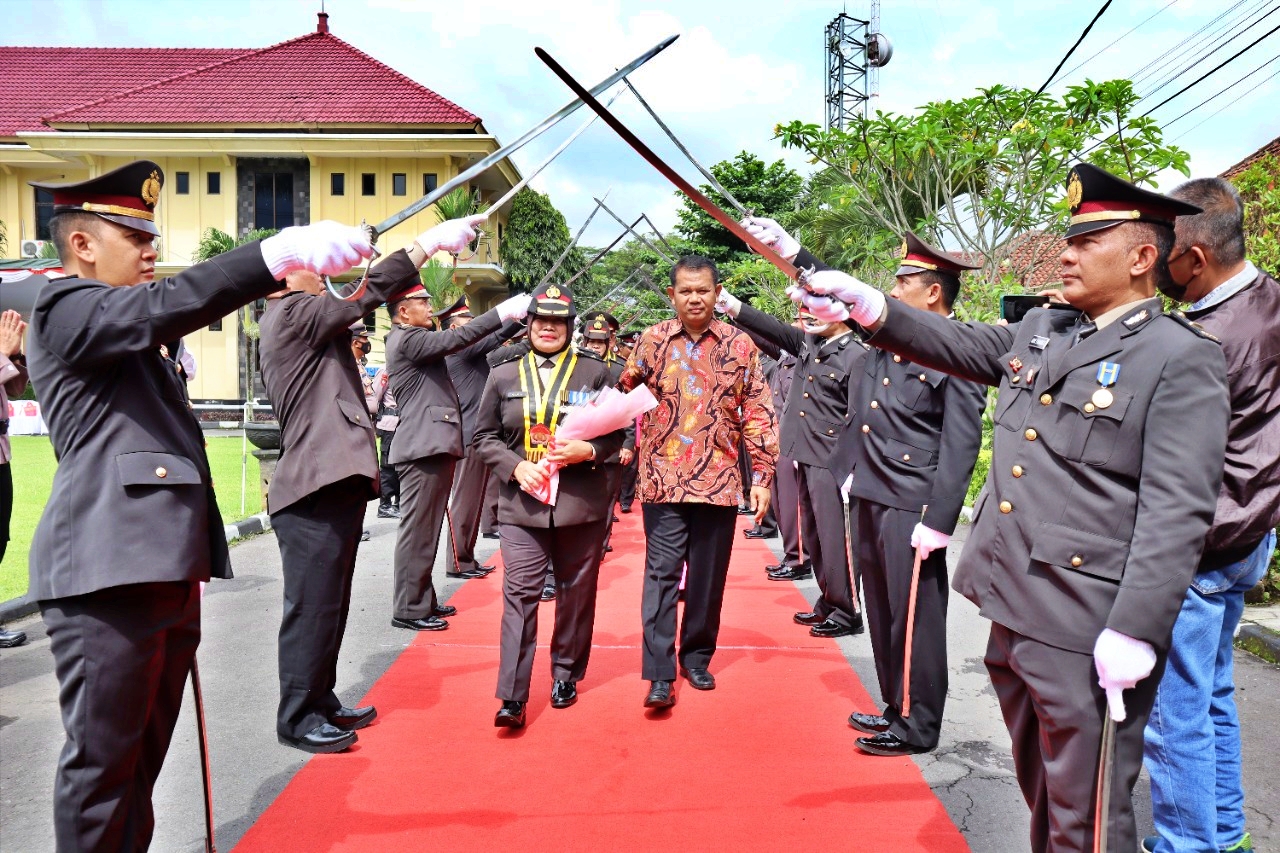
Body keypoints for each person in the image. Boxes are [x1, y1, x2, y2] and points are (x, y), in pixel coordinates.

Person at [788, 163, 1227, 851]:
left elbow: (1178, 511)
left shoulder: (1177, 358)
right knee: (1044, 796)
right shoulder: (1045, 329)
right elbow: (952, 341)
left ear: (1143, 257)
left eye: (1088, 241)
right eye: (1069, 239)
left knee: (1090, 814)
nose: (1066, 253)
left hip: (1087, 623)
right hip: (1015, 606)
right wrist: (869, 306)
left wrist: (1135, 629)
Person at [24, 160, 372, 850]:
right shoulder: (65, 307)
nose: (150, 247)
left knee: (137, 770)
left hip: (157, 569)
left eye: (151, 233)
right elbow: (171, 302)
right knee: (102, 773)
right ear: (82, 244)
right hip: (106, 570)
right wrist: (276, 252)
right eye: (131, 233)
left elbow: (162, 314)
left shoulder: (130, 335)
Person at [1139, 178, 1280, 853]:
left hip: (1204, 538)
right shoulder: (1271, 299)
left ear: (1194, 258)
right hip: (1255, 528)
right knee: (1213, 689)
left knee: (1175, 711)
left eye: (1165, 255)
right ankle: (1225, 831)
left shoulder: (1204, 338)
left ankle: (1188, 843)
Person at [260, 266, 419, 753]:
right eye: (315, 267)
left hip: (333, 484)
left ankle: (320, 697)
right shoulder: (289, 313)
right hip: (312, 488)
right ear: (284, 279)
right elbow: (361, 298)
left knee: (330, 604)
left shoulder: (305, 319)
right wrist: (420, 250)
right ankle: (297, 715)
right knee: (311, 607)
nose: (326, 276)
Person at [619, 255, 778, 709]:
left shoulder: (739, 345)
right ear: (671, 295)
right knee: (661, 575)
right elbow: (624, 394)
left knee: (708, 579)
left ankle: (697, 656)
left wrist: (762, 475)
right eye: (685, 290)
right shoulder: (651, 341)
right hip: (662, 481)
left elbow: (759, 411)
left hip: (720, 479)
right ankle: (659, 672)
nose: (694, 298)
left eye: (703, 290)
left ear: (716, 292)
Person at [473, 283, 625, 727]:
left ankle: (565, 673)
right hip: (523, 503)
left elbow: (619, 435)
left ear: (570, 328)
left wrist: (590, 451)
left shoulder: (596, 374)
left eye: (558, 322)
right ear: (529, 324)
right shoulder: (502, 373)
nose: (548, 328)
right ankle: (513, 695)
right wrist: (515, 467)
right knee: (519, 595)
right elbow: (483, 437)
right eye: (541, 320)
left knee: (577, 594)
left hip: (580, 502)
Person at [720, 290, 869, 640]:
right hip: (804, 454)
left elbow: (860, 416)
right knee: (815, 538)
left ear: (845, 314)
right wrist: (728, 303)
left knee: (837, 540)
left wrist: (850, 469)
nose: (812, 316)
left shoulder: (858, 356)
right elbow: (768, 326)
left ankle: (848, 612)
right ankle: (829, 601)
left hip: (833, 462)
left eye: (821, 310)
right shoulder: (810, 344)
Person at [385, 278, 531, 632]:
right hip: (423, 445)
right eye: (423, 300)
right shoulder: (408, 338)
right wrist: (501, 312)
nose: (429, 305)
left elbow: (479, 342)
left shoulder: (414, 340)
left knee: (427, 529)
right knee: (418, 531)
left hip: (431, 444)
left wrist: (513, 319)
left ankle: (422, 599)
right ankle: (408, 607)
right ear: (403, 311)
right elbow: (458, 338)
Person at [442, 296, 524, 579]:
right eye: (469, 324)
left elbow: (503, 350)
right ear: (454, 330)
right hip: (466, 435)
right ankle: (457, 561)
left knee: (474, 501)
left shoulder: (472, 354)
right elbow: (494, 338)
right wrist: (517, 319)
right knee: (464, 501)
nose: (475, 328)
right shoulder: (459, 351)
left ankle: (466, 557)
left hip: (478, 435)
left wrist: (528, 326)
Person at [579, 310, 634, 559]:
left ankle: (598, 548)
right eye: (591, 342)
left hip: (610, 446)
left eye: (600, 342)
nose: (595, 346)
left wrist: (629, 443)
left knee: (606, 501)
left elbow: (627, 409)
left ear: (609, 343)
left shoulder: (620, 369)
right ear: (584, 342)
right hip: (578, 445)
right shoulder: (574, 367)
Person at [0, 308, 30, 649]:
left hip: (1, 452)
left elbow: (17, 387)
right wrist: (3, 354)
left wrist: (17, 353)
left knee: (0, 538)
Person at [369, 361, 401, 519]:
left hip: (405, 424)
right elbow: (375, 397)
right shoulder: (386, 370)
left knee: (404, 466)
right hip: (389, 424)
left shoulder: (409, 365)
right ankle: (385, 505)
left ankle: (399, 503)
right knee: (388, 467)